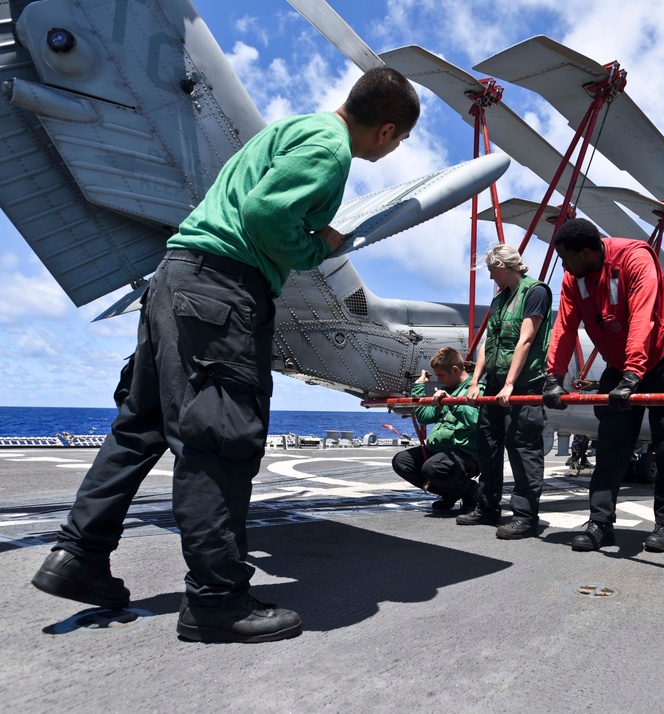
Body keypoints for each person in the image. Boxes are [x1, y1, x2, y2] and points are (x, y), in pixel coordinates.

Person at [30, 68, 420, 642]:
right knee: (219, 440)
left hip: (175, 280)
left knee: (140, 427)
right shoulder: (331, 148)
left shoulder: (294, 128)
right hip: (222, 291)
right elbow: (267, 216)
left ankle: (78, 557)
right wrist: (318, 246)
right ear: (387, 130)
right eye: (401, 141)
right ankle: (215, 599)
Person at [543, 219, 664, 553]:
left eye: (566, 258)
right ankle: (600, 523)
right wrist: (554, 377)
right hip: (621, 364)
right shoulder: (574, 277)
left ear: (586, 252)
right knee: (611, 446)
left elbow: (644, 317)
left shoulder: (635, 258)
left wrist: (633, 374)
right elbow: (564, 328)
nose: (563, 266)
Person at [458, 245, 552, 539]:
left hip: (525, 383)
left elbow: (526, 339)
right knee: (487, 444)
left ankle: (525, 516)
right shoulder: (500, 297)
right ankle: (487, 508)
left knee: (523, 448)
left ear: (501, 265)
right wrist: (475, 382)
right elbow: (489, 341)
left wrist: (511, 383)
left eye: (490, 270)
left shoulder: (535, 292)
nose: (489, 277)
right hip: (496, 384)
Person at [392, 347, 479, 513]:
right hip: (440, 450)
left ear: (454, 369)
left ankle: (471, 492)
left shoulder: (475, 389)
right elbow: (425, 417)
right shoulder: (449, 390)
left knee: (432, 468)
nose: (439, 379)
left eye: (441, 375)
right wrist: (418, 388)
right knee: (402, 462)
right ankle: (450, 493)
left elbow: (474, 420)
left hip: (465, 453)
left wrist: (451, 402)